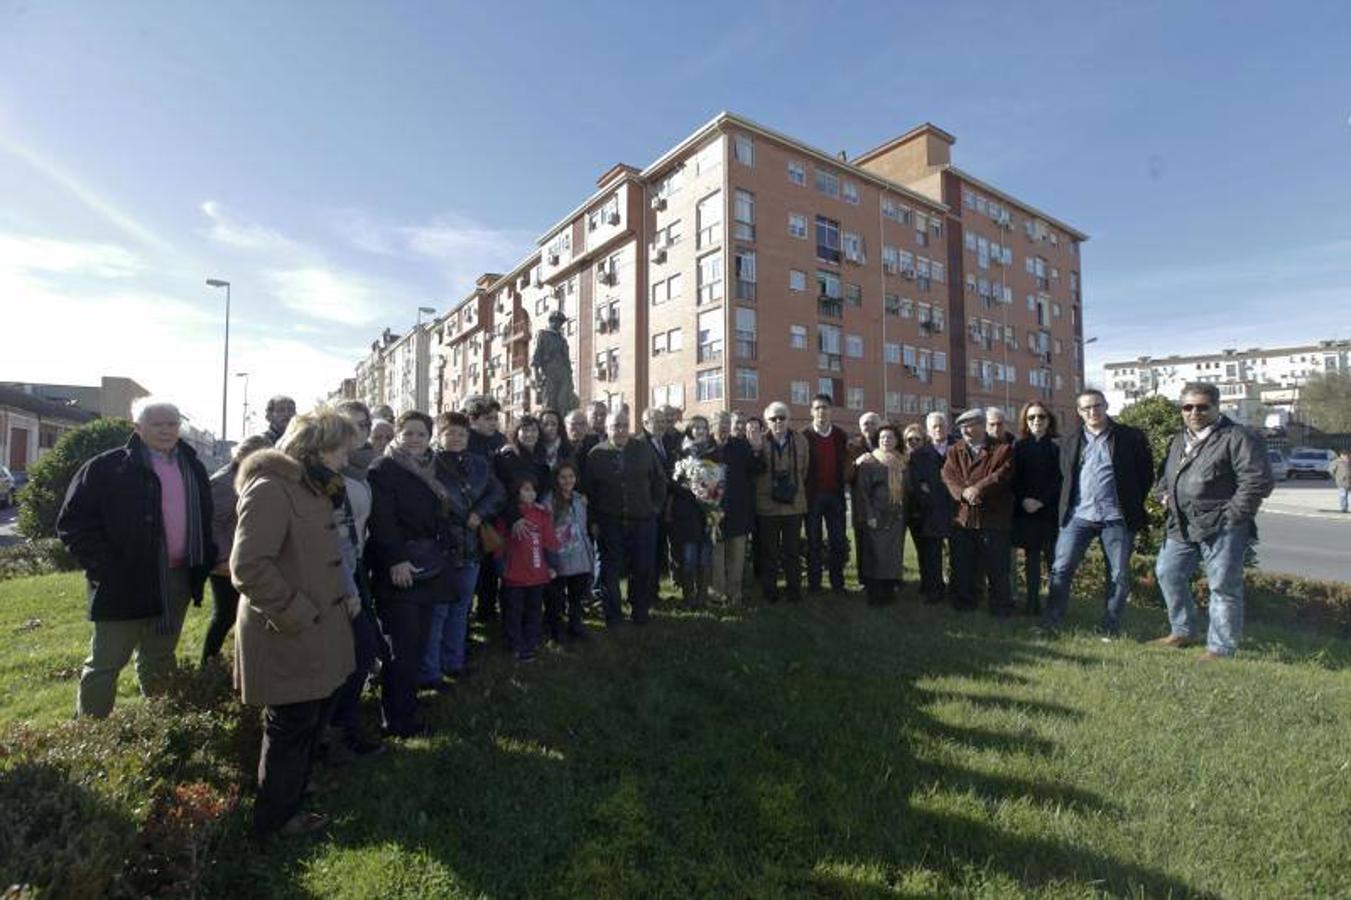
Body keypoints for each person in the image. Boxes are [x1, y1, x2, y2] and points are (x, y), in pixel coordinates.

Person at [230, 407, 357, 837]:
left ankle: (292, 790)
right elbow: (248, 566)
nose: (346, 459)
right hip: (289, 630)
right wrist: (297, 612)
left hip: (316, 628)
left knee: (306, 718)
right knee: (291, 723)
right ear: (315, 448)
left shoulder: (312, 487)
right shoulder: (271, 488)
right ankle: (275, 819)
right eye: (341, 450)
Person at [57, 398, 215, 718]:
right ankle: (91, 733)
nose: (167, 430)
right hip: (123, 581)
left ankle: (159, 727)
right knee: (106, 662)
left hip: (177, 579)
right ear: (138, 428)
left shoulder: (192, 465)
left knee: (160, 657)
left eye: (172, 423)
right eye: (158, 424)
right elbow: (73, 523)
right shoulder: (107, 466)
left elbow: (206, 517)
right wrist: (106, 567)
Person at [1151, 383, 1273, 659]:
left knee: (1222, 586)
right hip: (1181, 525)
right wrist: (1163, 495)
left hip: (1222, 526)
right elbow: (1165, 476)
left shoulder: (1237, 437)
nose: (1195, 412)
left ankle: (1221, 648)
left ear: (1217, 408)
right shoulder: (1179, 439)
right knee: (1168, 573)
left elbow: (1258, 481)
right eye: (1188, 407)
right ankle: (1183, 631)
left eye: (1203, 406)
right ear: (1181, 410)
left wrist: (1232, 516)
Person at [367, 411, 452, 738]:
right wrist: (396, 560)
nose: (415, 439)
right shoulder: (383, 468)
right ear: (397, 435)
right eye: (409, 433)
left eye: (421, 433)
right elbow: (382, 520)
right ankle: (398, 720)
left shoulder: (432, 467)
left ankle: (408, 706)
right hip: (400, 568)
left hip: (429, 565)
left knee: (417, 643)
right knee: (401, 647)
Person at [1042, 389, 1154, 639]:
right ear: (1079, 412)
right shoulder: (1071, 440)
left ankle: (1110, 628)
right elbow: (1065, 475)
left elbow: (1145, 474)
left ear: (1106, 406)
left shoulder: (1129, 436)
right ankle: (1052, 623)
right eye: (1086, 408)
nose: (1092, 412)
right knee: (1061, 568)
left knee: (1118, 574)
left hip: (1116, 518)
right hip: (1079, 516)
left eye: (1097, 406)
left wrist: (1130, 501)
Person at [324, 403, 386, 763]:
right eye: (351, 424)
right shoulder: (326, 471)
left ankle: (340, 728)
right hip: (333, 571)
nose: (360, 430)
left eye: (364, 424)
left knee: (362, 650)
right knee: (355, 649)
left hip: (356, 564)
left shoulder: (362, 468)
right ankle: (333, 733)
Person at [422, 412, 503, 685]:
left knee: (461, 608)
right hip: (442, 548)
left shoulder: (479, 463)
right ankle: (430, 671)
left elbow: (497, 492)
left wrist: (480, 513)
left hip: (471, 546)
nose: (456, 438)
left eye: (461, 433)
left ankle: (453, 663)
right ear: (439, 435)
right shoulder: (428, 465)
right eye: (450, 433)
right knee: (438, 612)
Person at [582, 406, 667, 626]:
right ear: (607, 429)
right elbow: (589, 491)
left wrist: (655, 507)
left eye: (623, 426)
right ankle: (613, 615)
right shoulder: (596, 454)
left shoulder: (643, 449)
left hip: (643, 520)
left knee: (642, 568)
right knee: (610, 570)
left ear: (629, 427)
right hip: (610, 522)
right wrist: (592, 521)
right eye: (614, 426)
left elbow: (660, 480)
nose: (619, 430)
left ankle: (640, 611)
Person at [202, 435, 270, 666]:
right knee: (225, 615)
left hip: (246, 558)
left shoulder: (252, 477)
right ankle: (208, 664)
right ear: (241, 455)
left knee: (246, 615)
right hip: (226, 563)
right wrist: (222, 559)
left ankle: (240, 664)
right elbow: (213, 524)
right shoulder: (224, 482)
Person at [941, 408, 1015, 616]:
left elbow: (1001, 475)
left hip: (992, 519)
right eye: (962, 426)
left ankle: (1001, 607)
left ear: (982, 426)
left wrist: (978, 489)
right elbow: (948, 476)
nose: (964, 430)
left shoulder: (1002, 449)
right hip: (963, 519)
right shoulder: (955, 450)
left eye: (969, 425)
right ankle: (964, 604)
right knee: (963, 565)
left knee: (997, 568)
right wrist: (963, 493)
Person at [496, 475, 559, 661]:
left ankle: (530, 643)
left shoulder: (542, 514)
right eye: (525, 490)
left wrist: (552, 565)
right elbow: (498, 545)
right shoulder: (508, 516)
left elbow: (549, 541)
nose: (530, 493)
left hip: (538, 573)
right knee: (514, 611)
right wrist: (501, 568)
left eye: (532, 490)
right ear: (516, 493)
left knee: (534, 610)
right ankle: (515, 643)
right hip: (514, 574)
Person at [753, 401, 810, 603]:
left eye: (782, 417)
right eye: (773, 418)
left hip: (793, 505)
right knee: (769, 552)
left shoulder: (801, 440)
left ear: (789, 419)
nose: (778, 422)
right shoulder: (758, 440)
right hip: (767, 506)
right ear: (767, 421)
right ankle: (770, 591)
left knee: (792, 551)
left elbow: (804, 470)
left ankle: (793, 591)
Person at [1011, 402, 1062, 616]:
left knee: (1054, 562)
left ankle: (1055, 606)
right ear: (1025, 421)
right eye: (1031, 417)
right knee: (1031, 560)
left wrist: (1041, 501)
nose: (1036, 421)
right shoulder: (1019, 447)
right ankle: (1031, 604)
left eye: (1041, 417)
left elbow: (1061, 479)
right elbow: (1014, 478)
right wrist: (1024, 500)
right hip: (1026, 512)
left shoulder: (1058, 446)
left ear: (1049, 420)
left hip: (1049, 511)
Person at [668, 416, 721, 608]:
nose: (700, 431)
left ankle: (702, 597)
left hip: (707, 513)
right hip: (687, 512)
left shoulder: (714, 452)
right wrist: (691, 486)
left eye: (703, 428)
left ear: (708, 431)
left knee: (705, 557)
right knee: (689, 558)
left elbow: (721, 479)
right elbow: (673, 481)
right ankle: (689, 597)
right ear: (690, 430)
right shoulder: (680, 452)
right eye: (696, 427)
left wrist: (711, 491)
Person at [853, 425, 909, 606]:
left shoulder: (901, 462)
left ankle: (889, 591)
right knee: (876, 555)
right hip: (877, 514)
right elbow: (863, 492)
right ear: (878, 440)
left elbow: (907, 489)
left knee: (892, 556)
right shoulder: (871, 462)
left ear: (896, 440)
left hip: (896, 517)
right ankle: (875, 595)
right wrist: (870, 515)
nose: (886, 440)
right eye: (883, 437)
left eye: (890, 437)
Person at [712, 414, 763, 604]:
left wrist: (757, 451)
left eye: (726, 424)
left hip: (739, 509)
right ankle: (717, 594)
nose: (722, 428)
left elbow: (757, 469)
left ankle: (735, 595)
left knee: (737, 555)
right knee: (716, 556)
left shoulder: (741, 446)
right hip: (714, 512)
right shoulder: (707, 448)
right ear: (712, 426)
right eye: (719, 424)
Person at [802, 394, 850, 595]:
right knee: (814, 542)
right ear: (812, 411)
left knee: (837, 541)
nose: (822, 411)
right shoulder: (804, 435)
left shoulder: (840, 435)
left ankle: (837, 584)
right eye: (818, 407)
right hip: (812, 497)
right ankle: (815, 585)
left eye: (825, 407)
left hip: (835, 496)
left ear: (831, 411)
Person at [544, 462, 592, 642]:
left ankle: (575, 623)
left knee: (576, 594)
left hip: (579, 554)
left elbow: (583, 526)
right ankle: (556, 628)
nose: (567, 481)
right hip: (558, 555)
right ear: (556, 480)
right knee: (556, 596)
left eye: (571, 477)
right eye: (563, 477)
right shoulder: (548, 501)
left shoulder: (580, 499)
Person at [908, 412, 953, 605]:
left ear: (948, 428)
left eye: (942, 425)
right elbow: (918, 485)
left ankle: (957, 590)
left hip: (956, 509)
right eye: (934, 426)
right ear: (928, 430)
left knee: (958, 554)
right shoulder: (919, 455)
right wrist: (929, 494)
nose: (939, 429)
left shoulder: (958, 450)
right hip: (931, 510)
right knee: (932, 555)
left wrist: (932, 488)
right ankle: (934, 592)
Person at [1333, 448, 1351, 514]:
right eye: (1345, 455)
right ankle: (1344, 508)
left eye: (1347, 455)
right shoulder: (1337, 461)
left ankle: (1345, 508)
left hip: (1349, 481)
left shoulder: (1349, 461)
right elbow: (1331, 470)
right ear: (1341, 455)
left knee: (1349, 495)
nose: (1346, 456)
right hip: (1341, 482)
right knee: (1343, 495)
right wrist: (1337, 477)